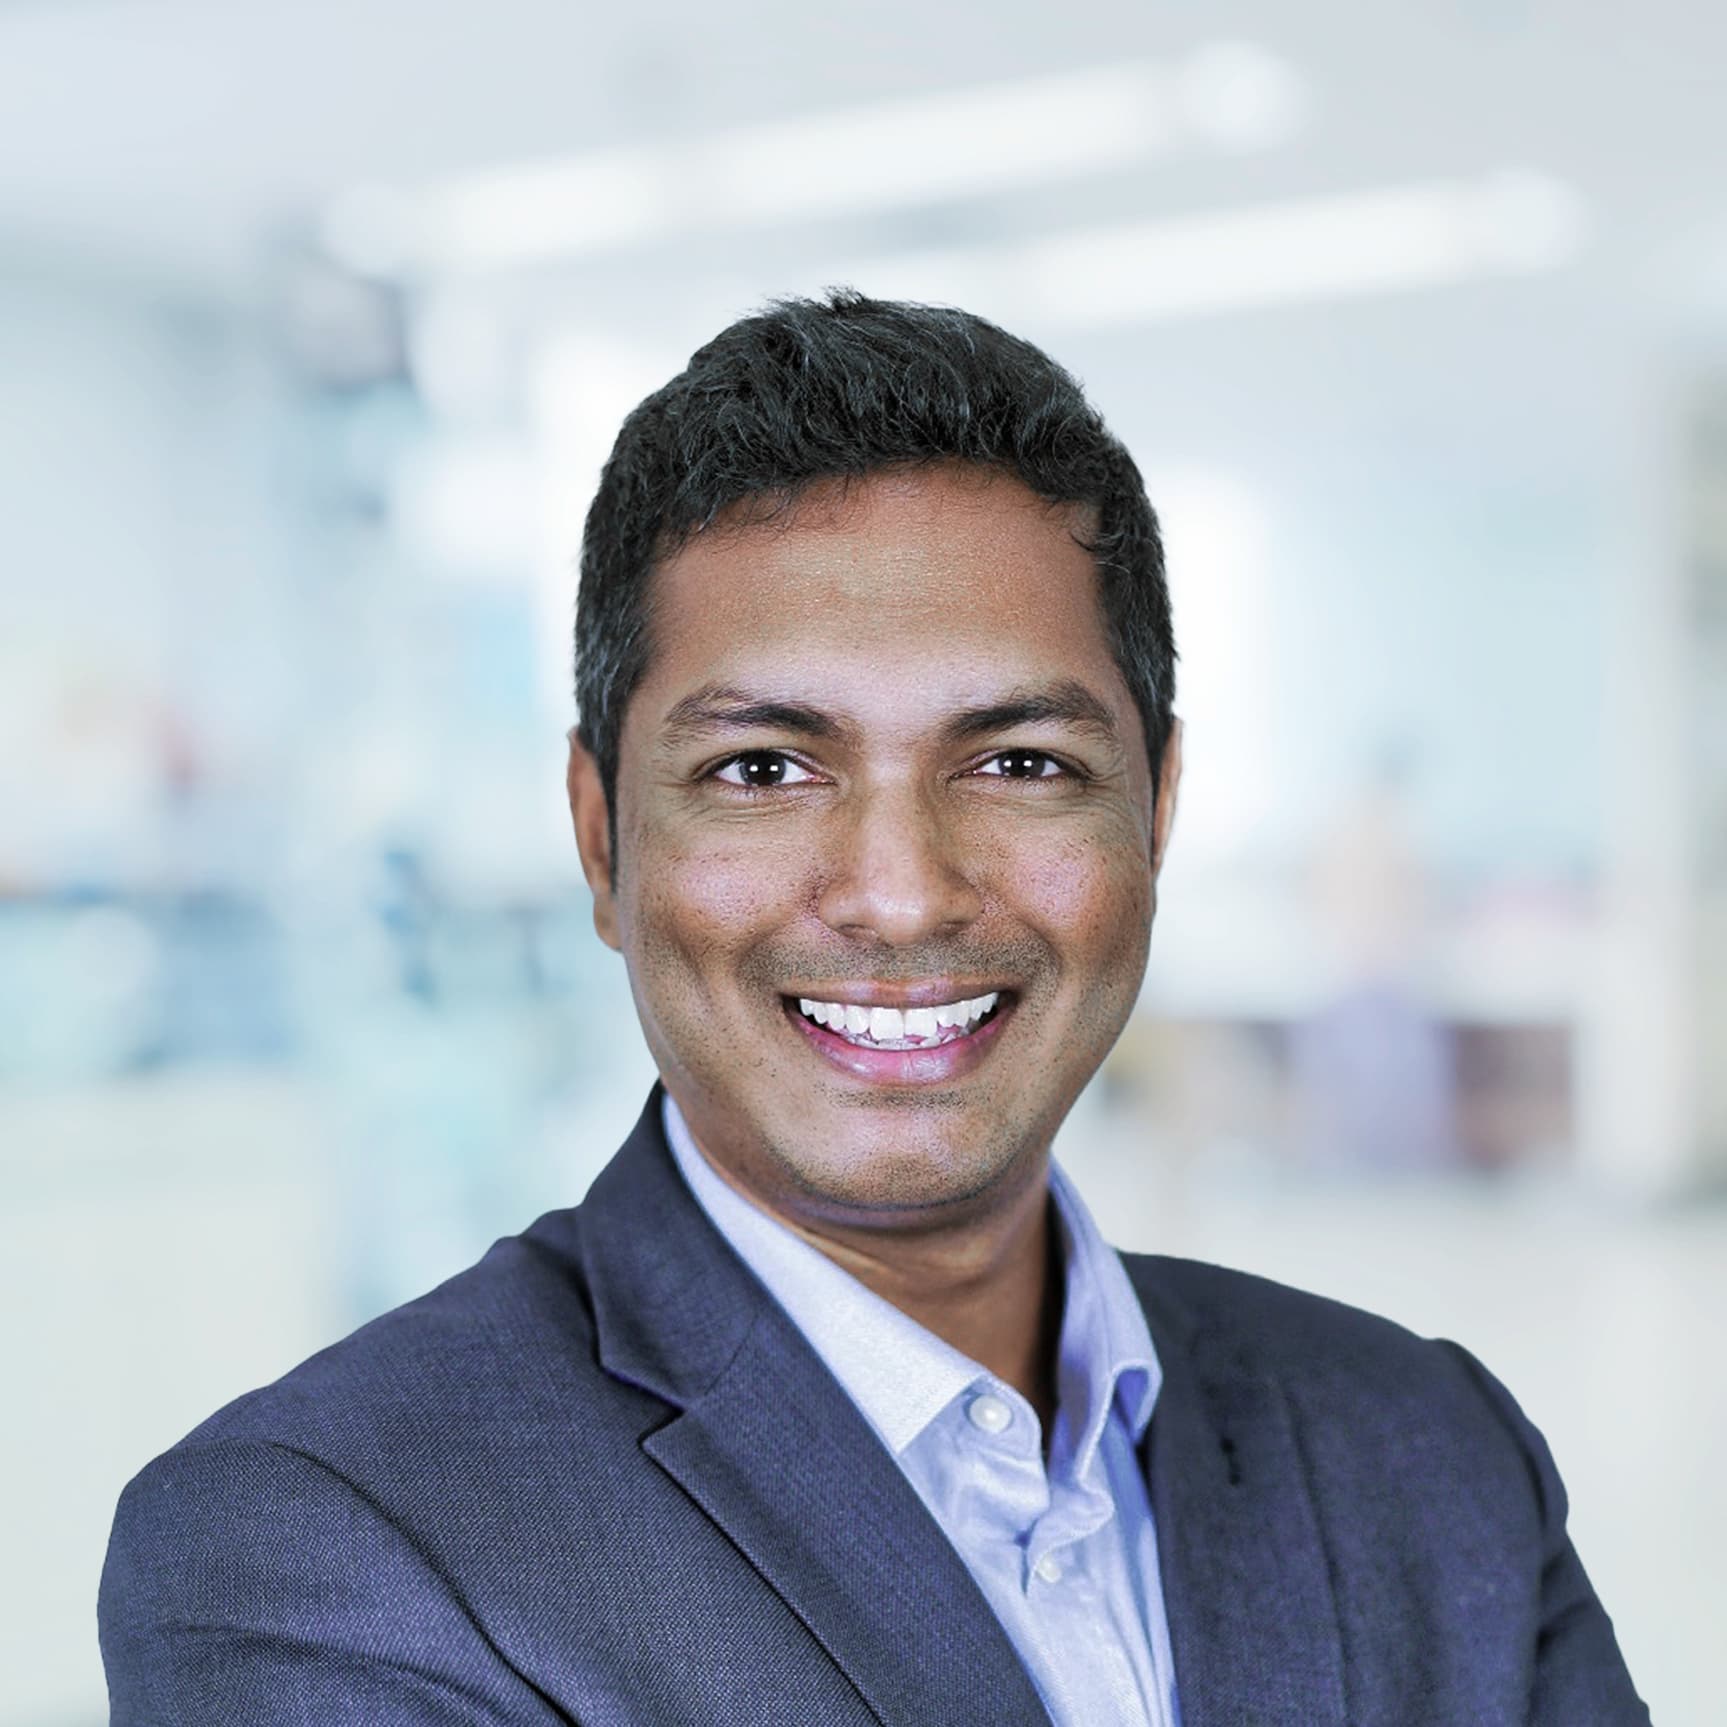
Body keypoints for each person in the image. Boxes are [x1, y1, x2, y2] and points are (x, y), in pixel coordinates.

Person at [98, 292, 1649, 1725]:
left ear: (1158, 813)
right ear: (601, 836)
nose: (902, 895)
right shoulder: (323, 1551)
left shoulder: (1429, 1449)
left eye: (1021, 762)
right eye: (763, 768)